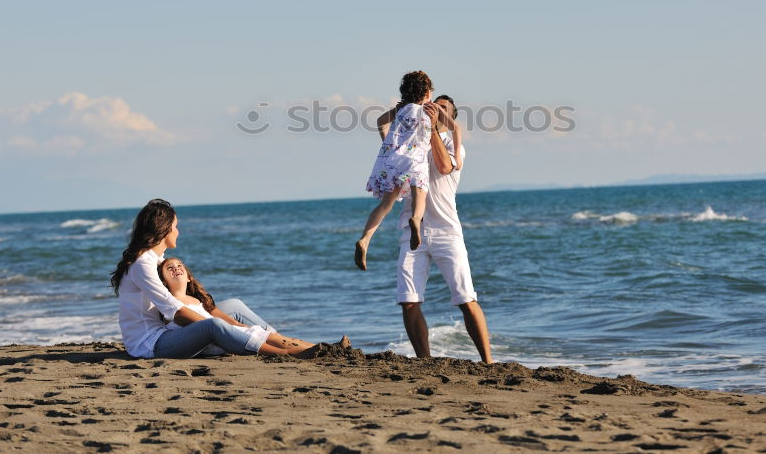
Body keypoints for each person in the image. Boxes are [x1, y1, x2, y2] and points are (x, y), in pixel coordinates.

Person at [111, 198, 348, 359]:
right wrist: (229, 329)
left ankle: (291, 342)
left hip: (166, 333)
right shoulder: (144, 263)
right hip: (151, 344)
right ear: (163, 229)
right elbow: (176, 312)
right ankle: (285, 354)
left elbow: (183, 300)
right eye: (175, 226)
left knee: (232, 306)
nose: (178, 232)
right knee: (214, 325)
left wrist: (235, 324)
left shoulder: (155, 260)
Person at [395, 95, 493, 363]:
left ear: (450, 117)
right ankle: (424, 361)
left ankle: (488, 361)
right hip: (412, 230)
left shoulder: (454, 144)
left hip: (447, 232)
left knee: (465, 298)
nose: (434, 111)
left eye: (442, 110)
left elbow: (443, 165)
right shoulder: (413, 142)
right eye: (432, 106)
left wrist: (436, 126)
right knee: (408, 300)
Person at [358, 71, 463, 264]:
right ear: (427, 94)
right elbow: (456, 128)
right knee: (419, 194)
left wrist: (390, 146)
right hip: (415, 161)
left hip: (393, 159)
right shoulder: (431, 109)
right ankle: (415, 219)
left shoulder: (401, 109)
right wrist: (457, 155)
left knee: (385, 204)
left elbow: (381, 123)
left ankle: (365, 238)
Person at [158, 256, 321, 356]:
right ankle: (312, 351)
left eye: (180, 266)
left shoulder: (195, 300)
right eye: (170, 268)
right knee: (269, 337)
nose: (176, 269)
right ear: (164, 282)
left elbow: (214, 315)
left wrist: (237, 325)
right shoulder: (171, 303)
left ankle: (321, 348)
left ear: (188, 278)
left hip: (222, 334)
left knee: (273, 336)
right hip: (214, 341)